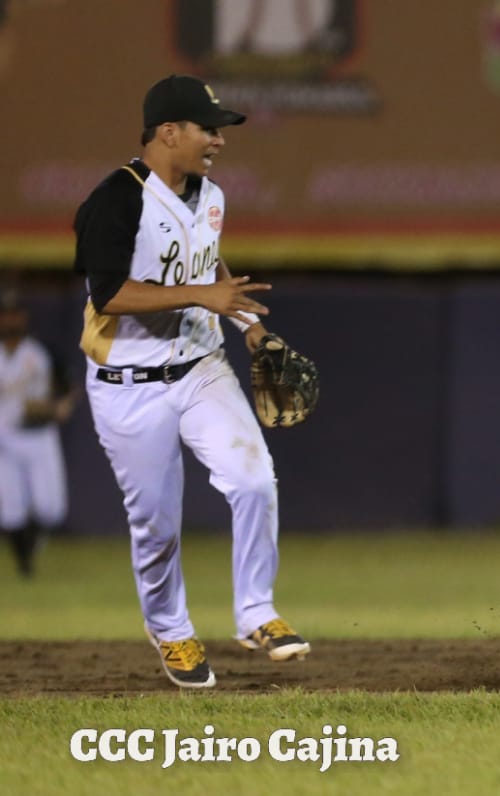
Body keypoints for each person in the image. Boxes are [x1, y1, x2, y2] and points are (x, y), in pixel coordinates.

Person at [72, 74, 310, 689]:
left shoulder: (211, 195)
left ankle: (256, 612)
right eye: (209, 129)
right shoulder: (114, 200)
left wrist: (248, 324)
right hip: (127, 382)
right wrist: (202, 294)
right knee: (156, 525)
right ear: (169, 132)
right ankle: (171, 630)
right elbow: (109, 294)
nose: (219, 140)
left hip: (202, 366)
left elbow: (208, 263)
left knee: (253, 479)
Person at [0, 291, 74, 576]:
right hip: (4, 438)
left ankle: (30, 548)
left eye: (15, 314)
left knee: (51, 508)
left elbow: (68, 387)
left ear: (24, 316)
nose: (11, 320)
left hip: (39, 435)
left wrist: (59, 406)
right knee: (11, 509)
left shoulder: (41, 351)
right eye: (6, 314)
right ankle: (25, 565)